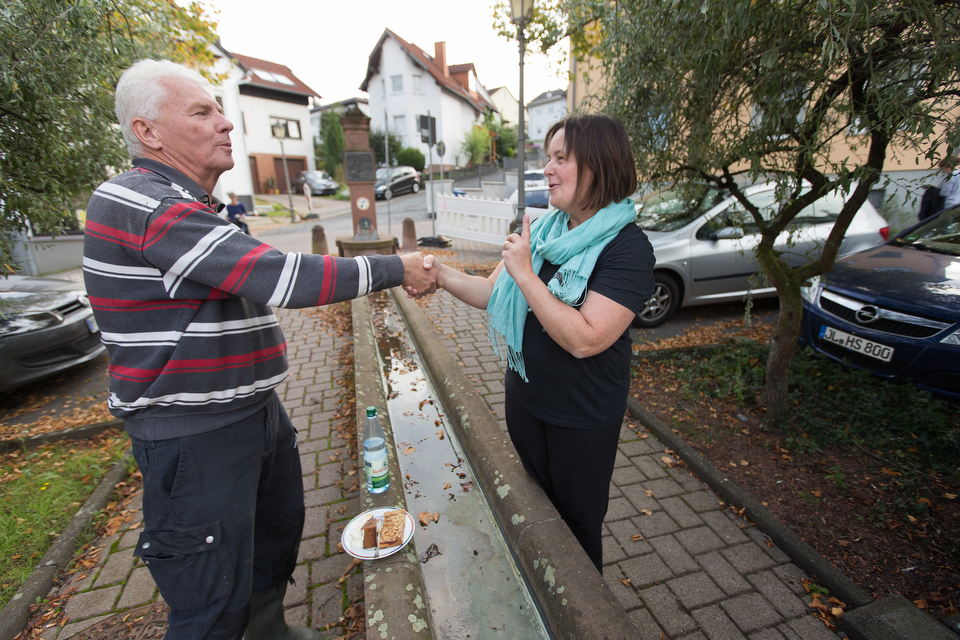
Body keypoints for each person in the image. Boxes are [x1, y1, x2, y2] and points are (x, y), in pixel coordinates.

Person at [83, 59, 434, 639]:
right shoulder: (142, 204)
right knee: (210, 597)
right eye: (203, 111)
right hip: (195, 434)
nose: (225, 123)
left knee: (270, 540)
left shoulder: (188, 204)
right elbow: (279, 277)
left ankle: (270, 629)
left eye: (220, 109)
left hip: (250, 415)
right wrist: (398, 266)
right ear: (148, 132)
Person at [422, 113, 655, 571]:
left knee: (577, 526)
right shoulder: (547, 229)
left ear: (599, 166)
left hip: (581, 418)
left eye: (561, 158)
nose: (547, 168)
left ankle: (584, 619)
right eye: (548, 157)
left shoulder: (628, 249)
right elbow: (492, 293)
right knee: (539, 514)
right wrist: (439, 274)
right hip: (526, 402)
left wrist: (526, 274)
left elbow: (586, 339)